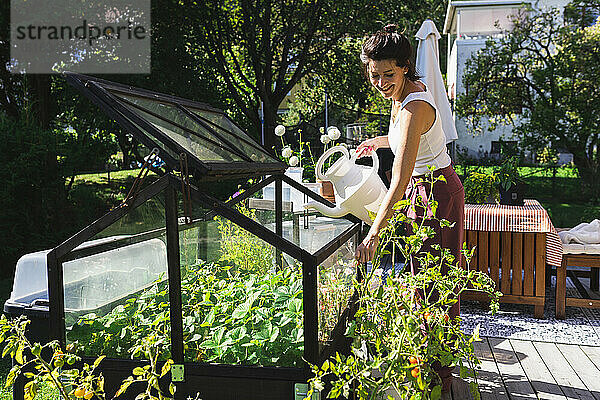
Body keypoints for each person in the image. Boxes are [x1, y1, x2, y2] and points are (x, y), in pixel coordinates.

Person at [354, 24, 464, 392]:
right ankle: (424, 361)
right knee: (420, 280)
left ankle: (440, 377)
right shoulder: (401, 96)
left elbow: (399, 181)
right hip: (423, 190)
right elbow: (405, 139)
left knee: (438, 285)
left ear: (404, 67)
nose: (381, 82)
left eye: (389, 74)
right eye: (374, 74)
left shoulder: (415, 104)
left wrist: (373, 233)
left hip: (438, 193)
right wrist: (377, 141)